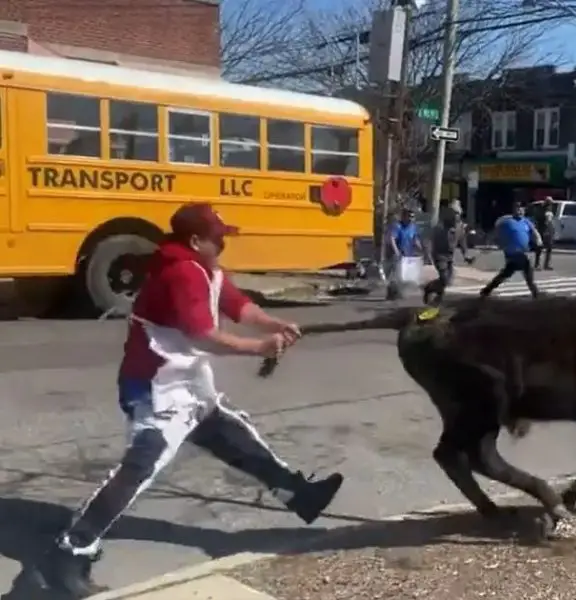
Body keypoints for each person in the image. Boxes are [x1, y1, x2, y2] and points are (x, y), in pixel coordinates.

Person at [35, 203, 345, 598]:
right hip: (156, 385)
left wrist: (274, 324)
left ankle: (300, 494)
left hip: (186, 381)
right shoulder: (181, 271)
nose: (223, 243)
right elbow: (202, 335)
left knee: (236, 436)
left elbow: (237, 304)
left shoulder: (204, 268)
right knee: (142, 466)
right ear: (195, 240)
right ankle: (71, 549)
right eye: (217, 238)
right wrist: (259, 347)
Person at [479, 201, 543, 298]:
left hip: (522, 252)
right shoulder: (507, 222)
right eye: (517, 208)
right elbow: (494, 232)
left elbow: (534, 231)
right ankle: (536, 293)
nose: (519, 211)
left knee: (507, 274)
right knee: (525, 268)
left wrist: (538, 239)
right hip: (512, 253)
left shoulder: (526, 222)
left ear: (524, 210)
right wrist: (489, 243)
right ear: (514, 210)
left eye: (521, 209)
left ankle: (487, 290)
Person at [423, 201, 475, 305]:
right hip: (439, 255)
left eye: (457, 213)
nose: (455, 216)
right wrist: (428, 254)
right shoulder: (441, 226)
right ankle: (429, 288)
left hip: (450, 257)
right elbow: (431, 239)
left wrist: (466, 255)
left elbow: (462, 242)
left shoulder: (460, 227)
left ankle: (437, 297)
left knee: (448, 281)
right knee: (445, 279)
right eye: (453, 213)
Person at [386, 207, 423, 300]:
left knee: (405, 275)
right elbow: (392, 239)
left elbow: (415, 239)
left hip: (408, 255)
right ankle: (391, 293)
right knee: (396, 274)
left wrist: (421, 249)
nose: (411, 219)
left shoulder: (413, 227)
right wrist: (396, 251)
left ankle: (401, 292)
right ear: (404, 216)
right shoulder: (398, 226)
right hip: (397, 254)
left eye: (412, 217)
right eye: (409, 216)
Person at [534, 197, 556, 270]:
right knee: (539, 248)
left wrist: (552, 230)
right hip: (542, 230)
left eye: (551, 203)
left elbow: (550, 221)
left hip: (549, 231)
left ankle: (547, 264)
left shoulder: (550, 210)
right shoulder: (541, 210)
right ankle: (537, 264)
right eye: (549, 203)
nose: (550, 205)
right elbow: (539, 220)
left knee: (549, 248)